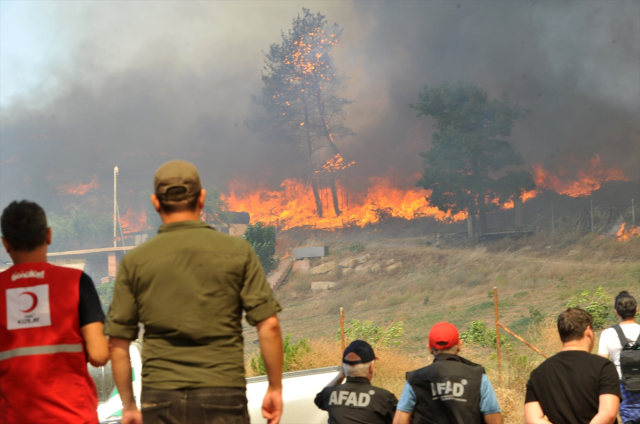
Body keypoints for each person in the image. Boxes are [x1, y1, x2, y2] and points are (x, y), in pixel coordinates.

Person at [105, 160, 284, 424]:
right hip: (223, 394)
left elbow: (118, 344)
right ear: (201, 198)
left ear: (156, 203)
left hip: (160, 398)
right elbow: (269, 326)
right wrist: (275, 388)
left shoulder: (136, 261)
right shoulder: (237, 251)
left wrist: (129, 406)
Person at [0, 200, 109, 424]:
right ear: (48, 235)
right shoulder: (77, 282)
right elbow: (99, 355)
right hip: (74, 415)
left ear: (6, 244)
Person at [525, 307, 620, 424]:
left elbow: (533, 419)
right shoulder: (603, 367)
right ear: (588, 332)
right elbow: (608, 414)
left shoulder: (538, 373)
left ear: (561, 335)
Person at [393, 322, 502, 424]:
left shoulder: (415, 379)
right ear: (459, 346)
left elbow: (400, 420)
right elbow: (493, 419)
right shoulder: (478, 377)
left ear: (430, 348)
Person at [315, 340, 398, 424]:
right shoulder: (384, 398)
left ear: (344, 368)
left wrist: (341, 375)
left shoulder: (330, 394)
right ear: (371, 367)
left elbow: (320, 399)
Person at [599, 291, 640, 423]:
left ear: (616, 312)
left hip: (622, 386)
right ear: (636, 310)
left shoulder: (607, 334)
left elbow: (602, 364)